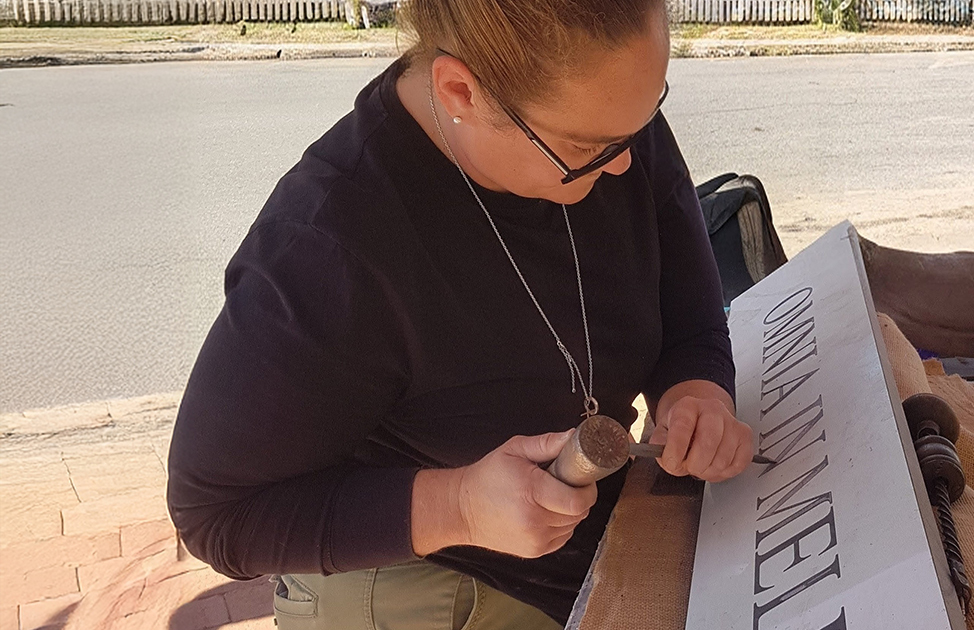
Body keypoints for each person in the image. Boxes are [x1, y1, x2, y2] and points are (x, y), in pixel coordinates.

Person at [165, 0, 754, 628]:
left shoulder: (607, 115)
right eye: (586, 147)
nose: (625, 165)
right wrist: (459, 507)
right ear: (459, 91)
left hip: (588, 547)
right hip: (420, 570)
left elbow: (690, 318)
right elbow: (216, 513)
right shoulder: (330, 246)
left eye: (643, 122)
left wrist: (697, 396)